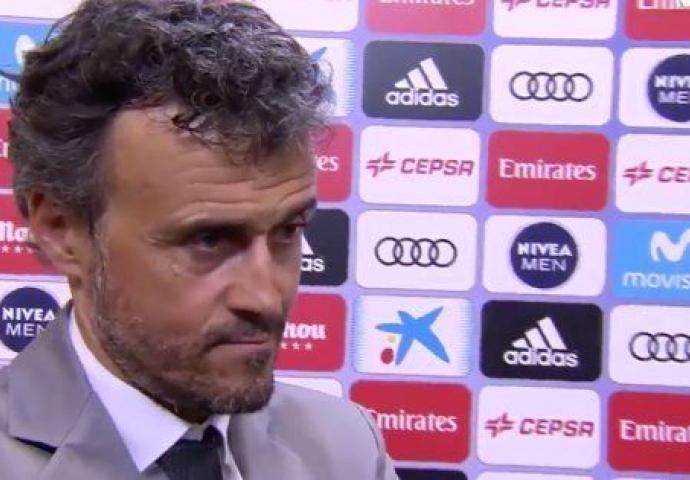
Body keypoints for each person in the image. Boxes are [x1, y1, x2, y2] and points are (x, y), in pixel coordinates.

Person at [0, 1, 398, 478]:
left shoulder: (345, 450)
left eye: (288, 231)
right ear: (61, 231)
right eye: (209, 241)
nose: (265, 297)